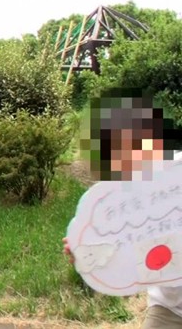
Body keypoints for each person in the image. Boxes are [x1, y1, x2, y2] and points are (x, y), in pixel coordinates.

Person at [63, 90, 182, 329]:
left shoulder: (176, 173)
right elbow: (122, 261)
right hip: (170, 309)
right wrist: (87, 254)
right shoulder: (117, 204)